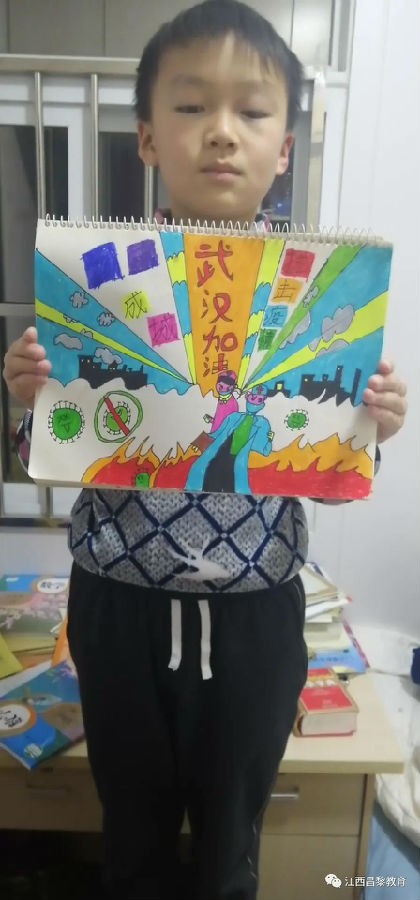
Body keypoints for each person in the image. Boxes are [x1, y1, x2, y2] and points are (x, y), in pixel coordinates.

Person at [2, 2, 408, 898]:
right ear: (147, 138)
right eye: (190, 107)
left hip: (255, 621)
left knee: (232, 845)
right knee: (133, 839)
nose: (222, 132)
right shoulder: (100, 284)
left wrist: (367, 430)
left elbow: (328, 482)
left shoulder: (318, 306)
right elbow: (58, 452)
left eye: (252, 112)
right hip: (118, 611)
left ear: (284, 149)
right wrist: (35, 401)